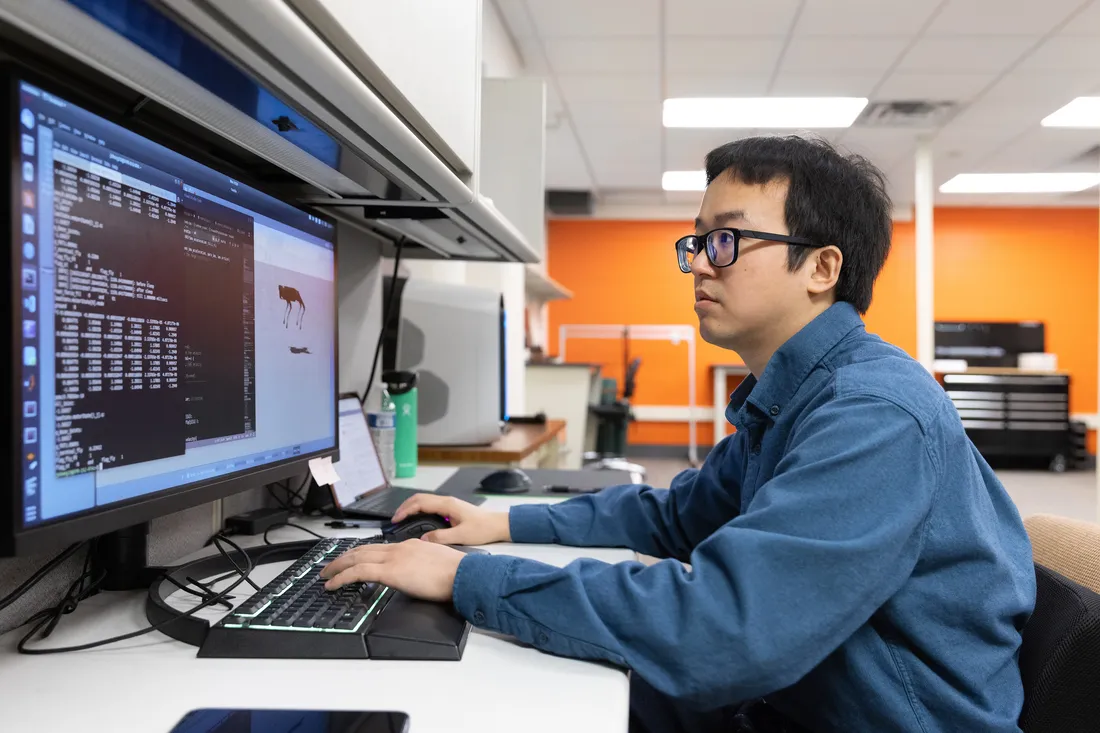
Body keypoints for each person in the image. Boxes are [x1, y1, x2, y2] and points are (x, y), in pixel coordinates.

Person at [321, 136, 1036, 733]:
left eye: (725, 240)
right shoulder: (798, 394)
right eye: (696, 241)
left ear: (822, 267)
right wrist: (499, 520)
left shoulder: (872, 413)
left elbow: (726, 629)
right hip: (803, 693)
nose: (696, 261)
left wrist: (466, 576)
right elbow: (676, 514)